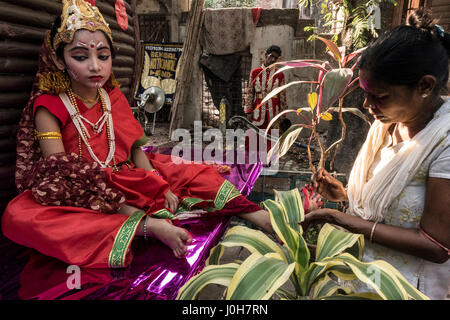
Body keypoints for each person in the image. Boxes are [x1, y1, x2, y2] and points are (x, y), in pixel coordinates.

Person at [1, 0, 275, 269]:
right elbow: (60, 175)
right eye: (81, 56)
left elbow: (135, 151)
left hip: (130, 174)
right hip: (81, 191)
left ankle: (254, 213)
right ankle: (147, 226)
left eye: (103, 56)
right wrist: (121, 200)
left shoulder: (112, 97)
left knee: (189, 173)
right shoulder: (47, 106)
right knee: (18, 216)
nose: (95, 66)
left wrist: (158, 183)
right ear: (59, 60)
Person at [302, 8, 450, 300]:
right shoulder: (388, 125)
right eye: (365, 92)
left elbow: (437, 245)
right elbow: (398, 206)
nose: (368, 104)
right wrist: (345, 196)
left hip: (407, 287)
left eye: (379, 96)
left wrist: (342, 219)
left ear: (425, 86)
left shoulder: (444, 142)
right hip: (365, 277)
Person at [244, 45, 287, 151]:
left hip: (274, 112)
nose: (273, 60)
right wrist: (249, 111)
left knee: (272, 138)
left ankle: (268, 161)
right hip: (258, 110)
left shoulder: (280, 74)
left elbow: (282, 95)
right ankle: (253, 161)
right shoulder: (255, 73)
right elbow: (250, 93)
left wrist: (283, 113)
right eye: (271, 56)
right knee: (254, 136)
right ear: (266, 55)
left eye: (275, 58)